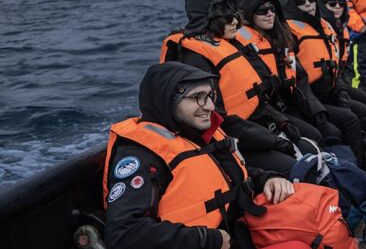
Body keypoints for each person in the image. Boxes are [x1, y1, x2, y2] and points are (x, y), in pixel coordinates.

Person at [103, 62, 295, 249]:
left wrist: (267, 178)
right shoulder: (142, 156)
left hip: (243, 229)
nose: (210, 106)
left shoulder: (195, 133)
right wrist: (206, 239)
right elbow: (124, 234)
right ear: (168, 100)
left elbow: (228, 176)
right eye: (197, 97)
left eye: (210, 95)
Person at [160, 0, 310, 173]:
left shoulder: (228, 45)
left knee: (311, 148)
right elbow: (216, 120)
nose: (235, 23)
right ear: (210, 19)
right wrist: (273, 141)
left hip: (256, 123)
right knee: (298, 168)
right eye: (227, 17)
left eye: (235, 16)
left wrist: (282, 122)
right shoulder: (194, 58)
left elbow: (259, 95)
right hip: (232, 141)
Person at [232, 0, 337, 153]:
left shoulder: (281, 40)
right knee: (317, 136)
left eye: (272, 9)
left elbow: (299, 80)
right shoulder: (243, 45)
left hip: (290, 104)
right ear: (250, 14)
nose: (269, 14)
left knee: (332, 129)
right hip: (265, 114)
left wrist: (317, 112)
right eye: (262, 10)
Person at [280, 0, 366, 162]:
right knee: (348, 121)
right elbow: (298, 83)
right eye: (302, 3)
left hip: (326, 93)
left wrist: (341, 98)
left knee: (361, 109)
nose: (309, 5)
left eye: (311, 0)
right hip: (304, 101)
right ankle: (355, 170)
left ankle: (365, 162)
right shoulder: (290, 34)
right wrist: (319, 115)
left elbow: (336, 69)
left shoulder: (324, 26)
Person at [316, 0, 366, 120]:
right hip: (323, 89)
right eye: (332, 4)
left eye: (341, 4)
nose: (337, 7)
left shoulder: (343, 30)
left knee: (363, 98)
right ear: (322, 6)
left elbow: (346, 64)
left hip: (338, 83)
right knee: (359, 111)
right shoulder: (319, 31)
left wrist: (343, 87)